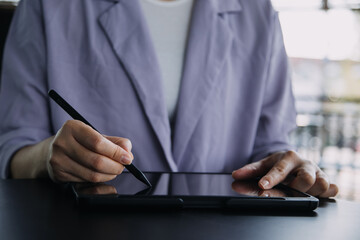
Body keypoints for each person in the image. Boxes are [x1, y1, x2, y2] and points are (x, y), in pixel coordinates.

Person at [0, 0, 338, 197]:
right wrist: (48, 156)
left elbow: (270, 145)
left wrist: (283, 167)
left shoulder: (257, 11)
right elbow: (12, 146)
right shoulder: (49, 5)